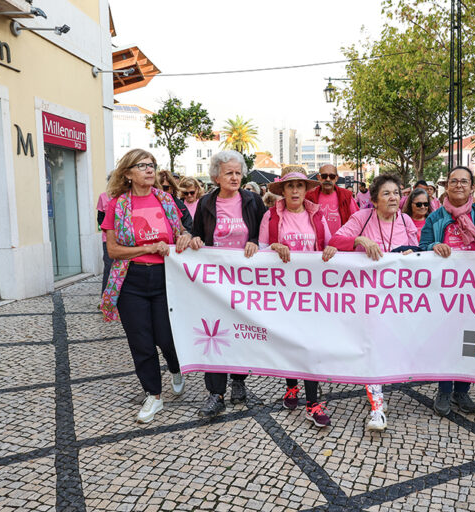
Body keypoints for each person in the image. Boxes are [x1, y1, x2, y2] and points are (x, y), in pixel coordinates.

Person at [99, 149, 192, 423]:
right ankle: (153, 394)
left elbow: (181, 231)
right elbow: (114, 250)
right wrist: (149, 247)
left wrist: (186, 237)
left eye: (151, 165)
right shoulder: (117, 205)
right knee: (141, 341)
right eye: (142, 166)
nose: (149, 170)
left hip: (166, 279)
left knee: (165, 336)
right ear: (128, 173)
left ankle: (175, 367)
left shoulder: (166, 200)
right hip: (132, 280)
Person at [329, 174, 419, 432]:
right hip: (367, 295)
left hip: (397, 295)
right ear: (375, 199)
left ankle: (377, 392)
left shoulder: (406, 220)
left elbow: (418, 251)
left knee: (389, 347)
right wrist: (359, 239)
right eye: (387, 193)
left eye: (397, 193)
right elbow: (334, 241)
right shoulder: (362, 218)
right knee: (373, 348)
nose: (394, 198)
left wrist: (413, 253)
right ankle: (377, 407)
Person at [189, 150, 267, 418]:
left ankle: (239, 380)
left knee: (241, 330)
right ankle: (216, 393)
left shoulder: (253, 201)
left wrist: (255, 241)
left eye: (237, 172)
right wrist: (195, 240)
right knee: (216, 333)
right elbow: (197, 232)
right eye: (229, 173)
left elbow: (264, 232)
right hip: (215, 281)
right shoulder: (205, 203)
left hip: (246, 281)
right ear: (216, 176)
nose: (235, 177)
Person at [258, 166, 337, 428]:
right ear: (282, 190)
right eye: (290, 186)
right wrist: (273, 247)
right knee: (289, 343)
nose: (295, 190)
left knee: (309, 345)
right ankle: (291, 386)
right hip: (282, 293)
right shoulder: (271, 216)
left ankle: (312, 404)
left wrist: (331, 250)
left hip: (312, 293)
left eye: (299, 186)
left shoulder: (317, 216)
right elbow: (259, 252)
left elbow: (329, 246)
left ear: (306, 190)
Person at [419, 166, 475, 417]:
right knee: (446, 338)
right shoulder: (435, 217)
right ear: (446, 186)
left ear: (472, 187)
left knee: (473, 340)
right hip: (444, 291)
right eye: (453, 181)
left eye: (464, 181)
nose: (459, 186)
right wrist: (435, 245)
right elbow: (422, 246)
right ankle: (444, 389)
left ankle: (462, 390)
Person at [305, 164, 359, 236]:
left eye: (332, 176)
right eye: (324, 176)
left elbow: (357, 220)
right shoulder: (309, 196)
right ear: (318, 177)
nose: (328, 179)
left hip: (340, 244)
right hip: (317, 244)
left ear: (336, 178)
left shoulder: (346, 196)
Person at [96, 177, 113, 293]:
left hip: (126, 239)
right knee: (109, 267)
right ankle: (105, 299)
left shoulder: (127, 197)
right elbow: (100, 218)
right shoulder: (103, 196)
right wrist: (109, 230)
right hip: (108, 239)